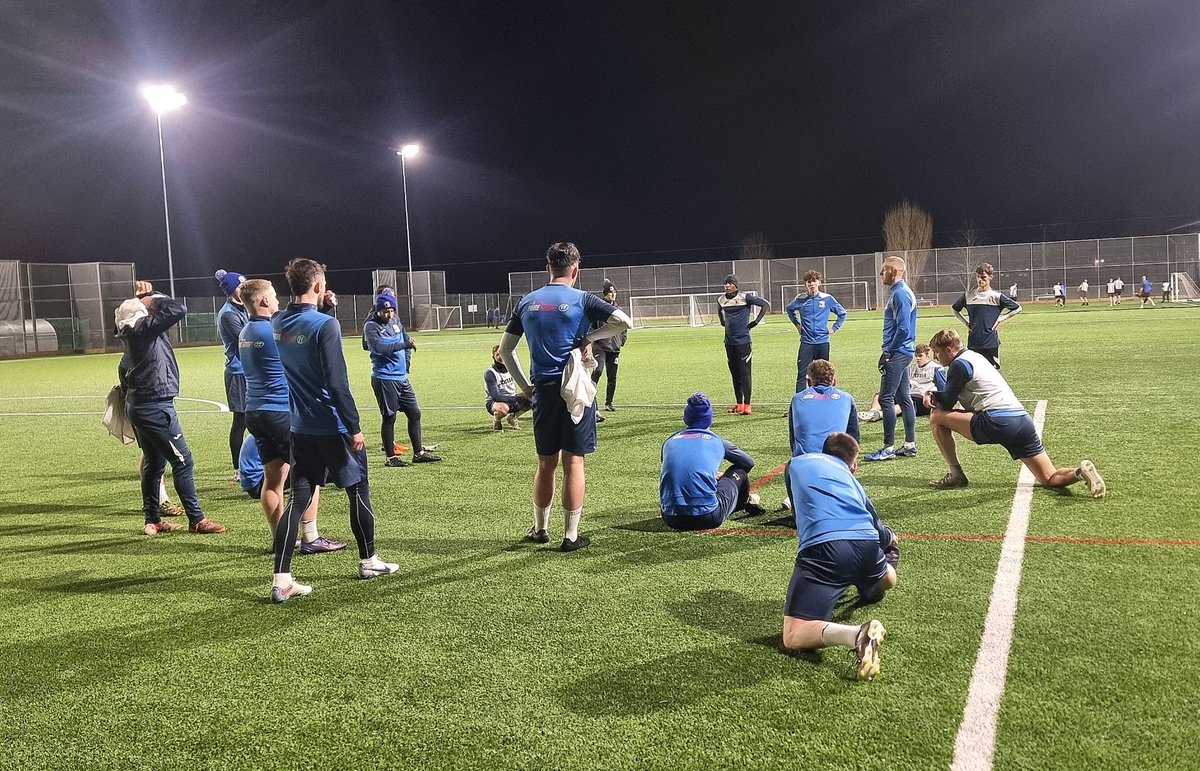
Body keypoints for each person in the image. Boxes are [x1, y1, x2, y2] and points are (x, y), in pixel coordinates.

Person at [269, 258, 400, 603]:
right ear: (317, 285)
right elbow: (336, 382)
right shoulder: (326, 326)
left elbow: (302, 339)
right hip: (333, 425)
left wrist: (324, 308)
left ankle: (282, 580)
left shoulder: (277, 322)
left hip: (300, 425)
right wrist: (354, 426)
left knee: (298, 499)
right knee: (358, 491)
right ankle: (368, 561)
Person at [498, 242, 632, 552]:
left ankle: (540, 529)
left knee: (546, 463)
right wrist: (589, 338)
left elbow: (506, 350)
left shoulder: (527, 302)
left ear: (548, 268)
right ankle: (571, 536)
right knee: (574, 461)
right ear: (575, 270)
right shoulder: (583, 299)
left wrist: (525, 386)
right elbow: (624, 322)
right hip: (576, 390)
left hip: (543, 390)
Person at [922, 328, 1106, 497]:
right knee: (1049, 477)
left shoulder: (958, 364)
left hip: (995, 420)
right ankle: (1080, 472)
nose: (936, 358)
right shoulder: (975, 357)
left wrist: (931, 394)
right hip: (1022, 421)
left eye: (937, 352)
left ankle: (956, 474)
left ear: (949, 350)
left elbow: (947, 403)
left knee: (937, 417)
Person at [238, 278, 344, 553]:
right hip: (281, 411)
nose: (277, 300)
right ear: (263, 301)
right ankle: (310, 537)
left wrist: (322, 308)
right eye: (273, 296)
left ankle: (279, 539)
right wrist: (323, 312)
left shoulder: (246, 331)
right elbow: (302, 340)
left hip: (255, 412)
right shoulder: (271, 331)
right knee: (309, 473)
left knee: (273, 479)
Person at [781, 432, 898, 681]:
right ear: (853, 465)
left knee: (792, 635)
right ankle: (887, 569)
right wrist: (890, 537)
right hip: (867, 544)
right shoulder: (851, 479)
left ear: (825, 451)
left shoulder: (796, 463)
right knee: (883, 577)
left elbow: (796, 514)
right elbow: (877, 525)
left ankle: (857, 634)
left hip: (826, 548)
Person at [115, 281, 226, 536]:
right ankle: (197, 519)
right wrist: (149, 296)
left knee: (154, 464)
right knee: (183, 461)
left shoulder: (131, 334)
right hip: (155, 406)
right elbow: (178, 309)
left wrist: (147, 299)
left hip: (140, 404)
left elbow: (123, 371)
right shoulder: (142, 330)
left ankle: (152, 520)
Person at [659, 393, 765, 531]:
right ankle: (742, 504)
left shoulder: (669, 442)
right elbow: (748, 463)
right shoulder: (717, 441)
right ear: (709, 419)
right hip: (708, 516)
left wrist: (710, 473)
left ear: (686, 418)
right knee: (739, 471)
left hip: (671, 518)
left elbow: (678, 469)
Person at [363, 292, 442, 466]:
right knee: (389, 417)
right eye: (385, 311)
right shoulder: (371, 326)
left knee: (414, 413)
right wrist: (404, 345)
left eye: (392, 310)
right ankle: (390, 458)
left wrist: (406, 362)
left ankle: (418, 453)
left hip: (401, 378)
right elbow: (378, 348)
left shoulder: (396, 321)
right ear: (377, 311)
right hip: (385, 378)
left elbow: (407, 340)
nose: (389, 314)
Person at [864, 255, 917, 462]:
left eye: (884, 269)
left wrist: (889, 352)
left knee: (886, 398)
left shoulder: (900, 294)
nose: (881, 273)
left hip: (898, 352)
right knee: (904, 397)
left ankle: (888, 448)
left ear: (894, 272)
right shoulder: (898, 291)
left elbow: (903, 329)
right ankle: (910, 445)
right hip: (902, 351)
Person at [950, 262, 1022, 370]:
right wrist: (966, 323)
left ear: (990, 277)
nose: (980, 280)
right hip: (973, 343)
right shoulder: (968, 295)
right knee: (974, 374)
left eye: (983, 277)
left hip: (990, 343)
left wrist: (1000, 319)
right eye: (978, 277)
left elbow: (1018, 308)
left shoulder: (996, 296)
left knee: (992, 373)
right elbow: (955, 309)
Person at [785, 270, 847, 393]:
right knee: (802, 374)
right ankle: (800, 400)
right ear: (805, 284)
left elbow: (842, 313)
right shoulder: (801, 299)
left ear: (819, 282)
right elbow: (789, 309)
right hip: (806, 342)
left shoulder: (827, 299)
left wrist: (834, 328)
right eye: (809, 282)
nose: (812, 284)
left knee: (824, 374)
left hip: (822, 342)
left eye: (814, 281)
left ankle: (825, 399)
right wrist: (797, 324)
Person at [716, 274, 770, 414]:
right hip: (729, 342)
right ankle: (739, 404)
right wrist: (722, 322)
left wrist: (755, 322)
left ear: (736, 285)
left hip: (743, 342)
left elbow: (765, 304)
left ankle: (747, 405)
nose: (727, 286)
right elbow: (719, 310)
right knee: (735, 374)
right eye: (725, 283)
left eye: (730, 283)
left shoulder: (745, 297)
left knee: (745, 373)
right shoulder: (721, 300)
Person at [215, 269, 249, 481]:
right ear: (232, 290)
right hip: (238, 372)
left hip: (249, 371)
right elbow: (246, 339)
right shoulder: (228, 314)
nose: (244, 289)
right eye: (240, 286)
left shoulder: (243, 308)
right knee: (241, 420)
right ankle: (238, 469)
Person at [789, 360, 858, 457]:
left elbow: (793, 438)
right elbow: (853, 436)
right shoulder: (847, 398)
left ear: (808, 382)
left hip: (804, 460)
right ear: (834, 381)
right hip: (836, 460)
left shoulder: (797, 399)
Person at [859, 343, 943, 421]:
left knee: (903, 404)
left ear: (928, 355)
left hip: (922, 399)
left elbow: (942, 388)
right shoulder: (911, 368)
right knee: (879, 395)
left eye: (920, 356)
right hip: (909, 394)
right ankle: (872, 412)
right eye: (916, 356)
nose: (918, 358)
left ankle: (880, 415)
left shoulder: (936, 368)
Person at [591, 281, 628, 419]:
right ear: (605, 294)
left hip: (614, 348)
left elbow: (624, 328)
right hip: (600, 347)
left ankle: (609, 403)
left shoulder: (619, 310)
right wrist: (594, 340)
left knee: (612, 376)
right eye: (610, 292)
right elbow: (591, 326)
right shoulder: (599, 308)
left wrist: (621, 341)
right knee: (597, 371)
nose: (613, 294)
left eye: (614, 292)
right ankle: (592, 404)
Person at [485, 344, 532, 430]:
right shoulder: (490, 373)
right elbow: (496, 396)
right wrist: (518, 399)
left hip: (511, 398)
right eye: (497, 354)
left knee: (533, 396)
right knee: (503, 409)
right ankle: (497, 420)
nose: (500, 357)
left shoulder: (511, 368)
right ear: (493, 357)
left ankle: (512, 417)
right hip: (495, 402)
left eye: (501, 354)